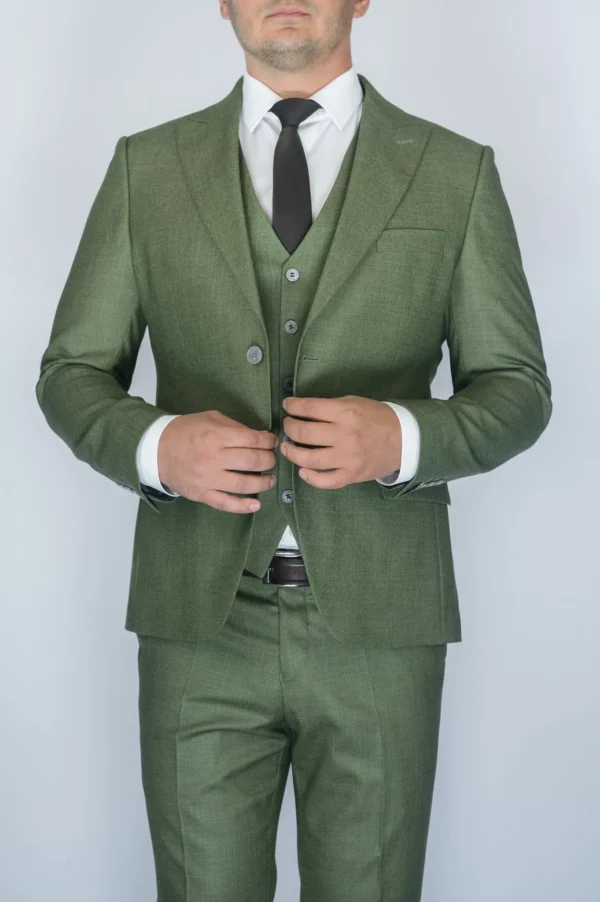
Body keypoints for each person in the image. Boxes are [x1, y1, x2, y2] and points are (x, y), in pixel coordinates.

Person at [35, 1, 552, 899]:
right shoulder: (145, 167)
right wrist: (158, 447)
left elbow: (517, 388)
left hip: (382, 628)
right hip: (199, 624)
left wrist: (403, 436)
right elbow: (71, 371)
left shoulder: (454, 171)